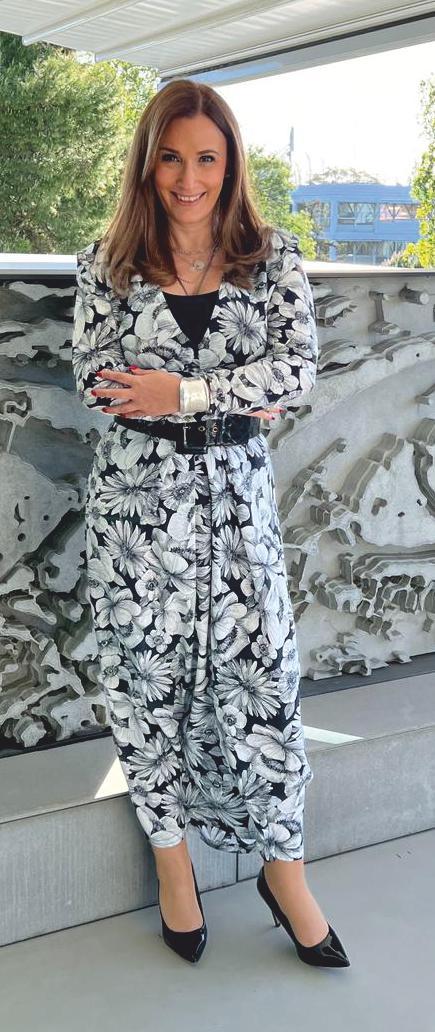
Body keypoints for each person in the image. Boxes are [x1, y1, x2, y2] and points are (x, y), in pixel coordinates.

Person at [72, 78, 349, 969]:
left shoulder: (272, 258)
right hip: (136, 515)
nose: (187, 179)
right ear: (145, 163)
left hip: (237, 509)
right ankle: (175, 869)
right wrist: (233, 391)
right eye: (169, 157)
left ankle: (285, 874)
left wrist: (182, 392)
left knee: (262, 682)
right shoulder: (107, 264)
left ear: (229, 166)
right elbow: (99, 385)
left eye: (205, 159)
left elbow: (295, 372)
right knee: (145, 685)